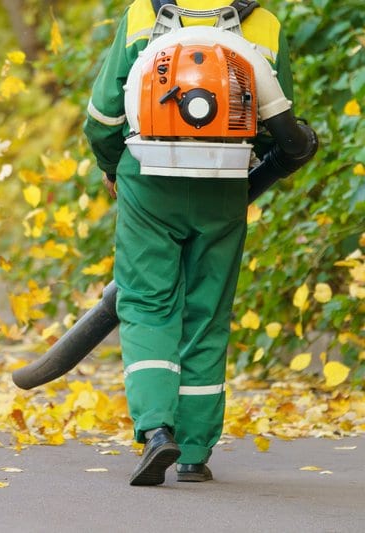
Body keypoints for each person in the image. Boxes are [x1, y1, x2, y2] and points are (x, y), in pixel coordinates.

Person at [83, 0, 295, 485]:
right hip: (222, 184)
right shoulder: (264, 24)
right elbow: (276, 124)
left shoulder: (142, 14)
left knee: (146, 303)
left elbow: (103, 116)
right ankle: (195, 453)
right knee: (207, 309)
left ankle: (157, 430)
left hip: (149, 182)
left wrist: (113, 164)